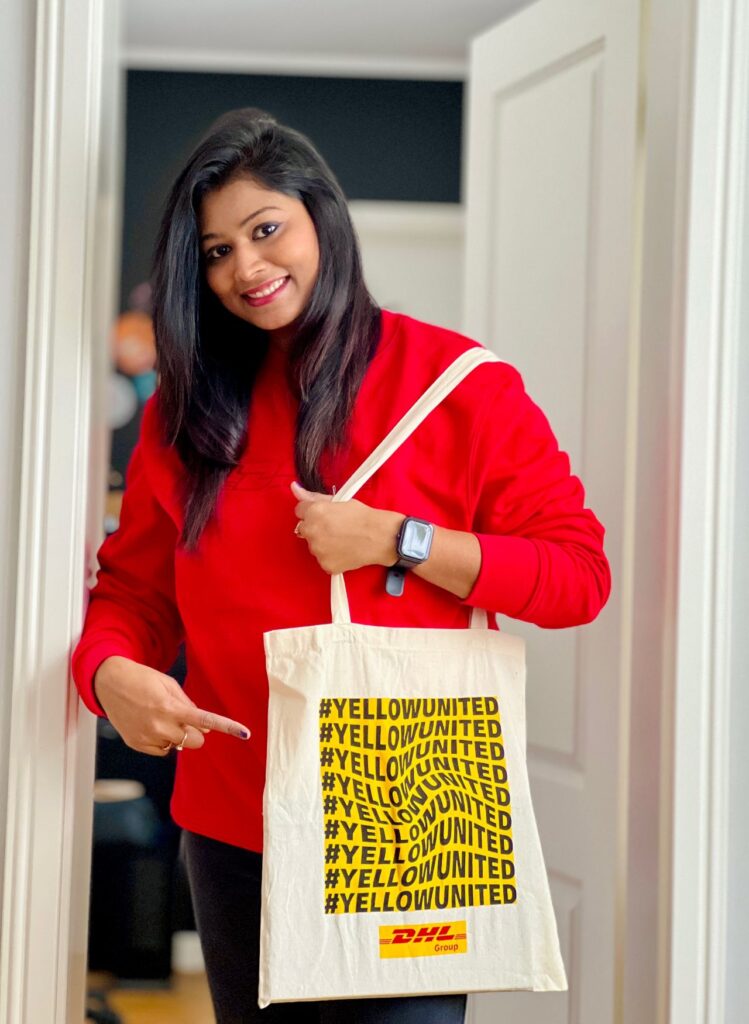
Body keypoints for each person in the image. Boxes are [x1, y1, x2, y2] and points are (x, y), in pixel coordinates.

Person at [71, 107, 611, 1023]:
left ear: (322, 214)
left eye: (265, 228)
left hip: (412, 806)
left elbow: (575, 577)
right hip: (235, 815)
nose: (246, 268)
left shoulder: (460, 386)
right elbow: (133, 591)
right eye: (214, 250)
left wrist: (399, 540)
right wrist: (109, 671)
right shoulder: (187, 413)